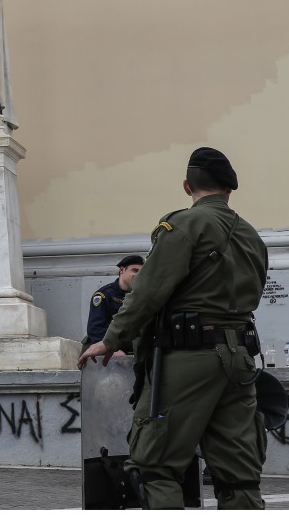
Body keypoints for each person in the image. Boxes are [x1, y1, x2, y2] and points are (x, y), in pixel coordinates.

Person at [79, 147, 268, 510]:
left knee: (154, 467)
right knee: (239, 475)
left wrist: (110, 339)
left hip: (189, 359)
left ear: (187, 186)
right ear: (230, 188)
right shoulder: (250, 235)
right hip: (240, 360)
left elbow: (148, 291)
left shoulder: (183, 225)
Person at [84, 254, 144, 355]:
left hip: (132, 352)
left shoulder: (141, 296)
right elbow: (96, 329)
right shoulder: (104, 295)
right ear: (122, 270)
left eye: (141, 272)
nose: (138, 275)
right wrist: (112, 349)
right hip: (106, 352)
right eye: (134, 270)